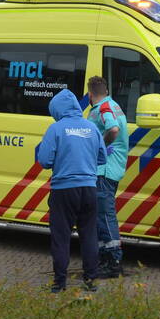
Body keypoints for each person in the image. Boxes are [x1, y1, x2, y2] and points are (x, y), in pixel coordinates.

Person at [36, 88, 107, 293]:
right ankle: (91, 281)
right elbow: (102, 158)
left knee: (61, 237)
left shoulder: (56, 129)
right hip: (89, 189)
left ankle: (59, 283)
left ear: (57, 110)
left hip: (64, 190)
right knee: (89, 235)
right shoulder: (91, 128)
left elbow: (44, 161)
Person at [85, 76, 130, 279]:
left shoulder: (103, 109)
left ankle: (113, 262)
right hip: (111, 168)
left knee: (104, 215)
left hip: (104, 170)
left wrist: (100, 146)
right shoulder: (113, 104)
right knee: (102, 215)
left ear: (90, 94)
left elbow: (113, 129)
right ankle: (106, 258)